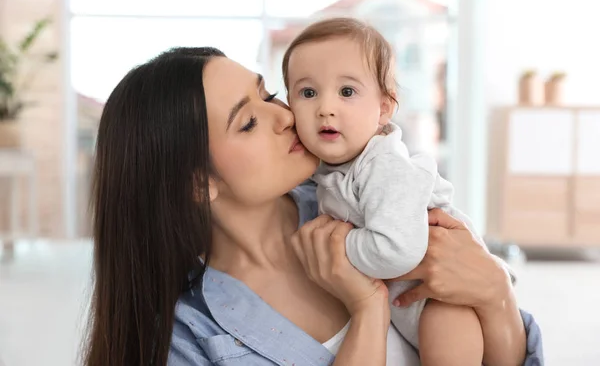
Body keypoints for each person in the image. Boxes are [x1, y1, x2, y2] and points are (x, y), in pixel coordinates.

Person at [81, 46, 543, 366]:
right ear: (198, 183)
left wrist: (496, 292)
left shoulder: (365, 199)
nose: (285, 117)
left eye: (268, 95)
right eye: (247, 123)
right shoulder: (189, 338)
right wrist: (366, 310)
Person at [284, 17, 483, 365]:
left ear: (384, 109)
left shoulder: (384, 164)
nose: (325, 108)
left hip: (445, 299)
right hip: (404, 303)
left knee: (446, 335)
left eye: (347, 92)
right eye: (308, 92)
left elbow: (397, 250)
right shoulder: (324, 168)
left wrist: (337, 246)